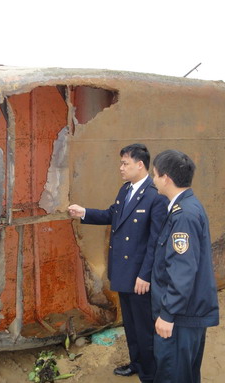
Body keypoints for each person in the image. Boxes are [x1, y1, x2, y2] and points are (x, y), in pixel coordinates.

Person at [68, 143, 168, 383]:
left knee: (144, 328)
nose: (121, 168)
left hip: (140, 277)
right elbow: (112, 215)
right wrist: (84, 212)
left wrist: (145, 275)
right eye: (121, 163)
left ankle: (150, 374)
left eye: (125, 163)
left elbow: (156, 242)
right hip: (123, 272)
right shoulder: (126, 190)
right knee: (131, 325)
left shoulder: (155, 197)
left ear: (140, 165)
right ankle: (136, 363)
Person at [150, 150, 219, 383]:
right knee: (186, 373)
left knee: (173, 373)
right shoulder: (186, 206)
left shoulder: (184, 215)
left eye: (155, 175)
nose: (153, 180)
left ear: (166, 178)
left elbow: (182, 270)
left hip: (180, 316)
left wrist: (168, 314)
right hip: (187, 312)